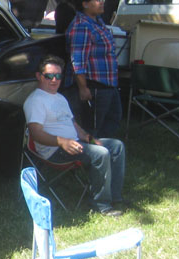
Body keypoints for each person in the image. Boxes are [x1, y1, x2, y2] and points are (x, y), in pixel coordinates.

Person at [24, 55, 126, 217]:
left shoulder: (60, 98)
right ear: (39, 76)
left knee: (116, 146)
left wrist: (92, 140)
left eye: (58, 76)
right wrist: (62, 142)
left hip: (75, 143)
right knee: (101, 153)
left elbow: (75, 126)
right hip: (54, 150)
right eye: (49, 76)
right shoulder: (35, 100)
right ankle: (101, 204)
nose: (54, 80)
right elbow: (36, 134)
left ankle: (115, 197)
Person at [66, 0, 122, 138]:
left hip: (108, 84)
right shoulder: (81, 26)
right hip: (94, 87)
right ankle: (91, 158)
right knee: (93, 127)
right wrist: (83, 88)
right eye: (97, 0)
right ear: (84, 4)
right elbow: (78, 60)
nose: (102, 3)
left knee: (112, 122)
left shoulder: (98, 23)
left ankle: (106, 154)